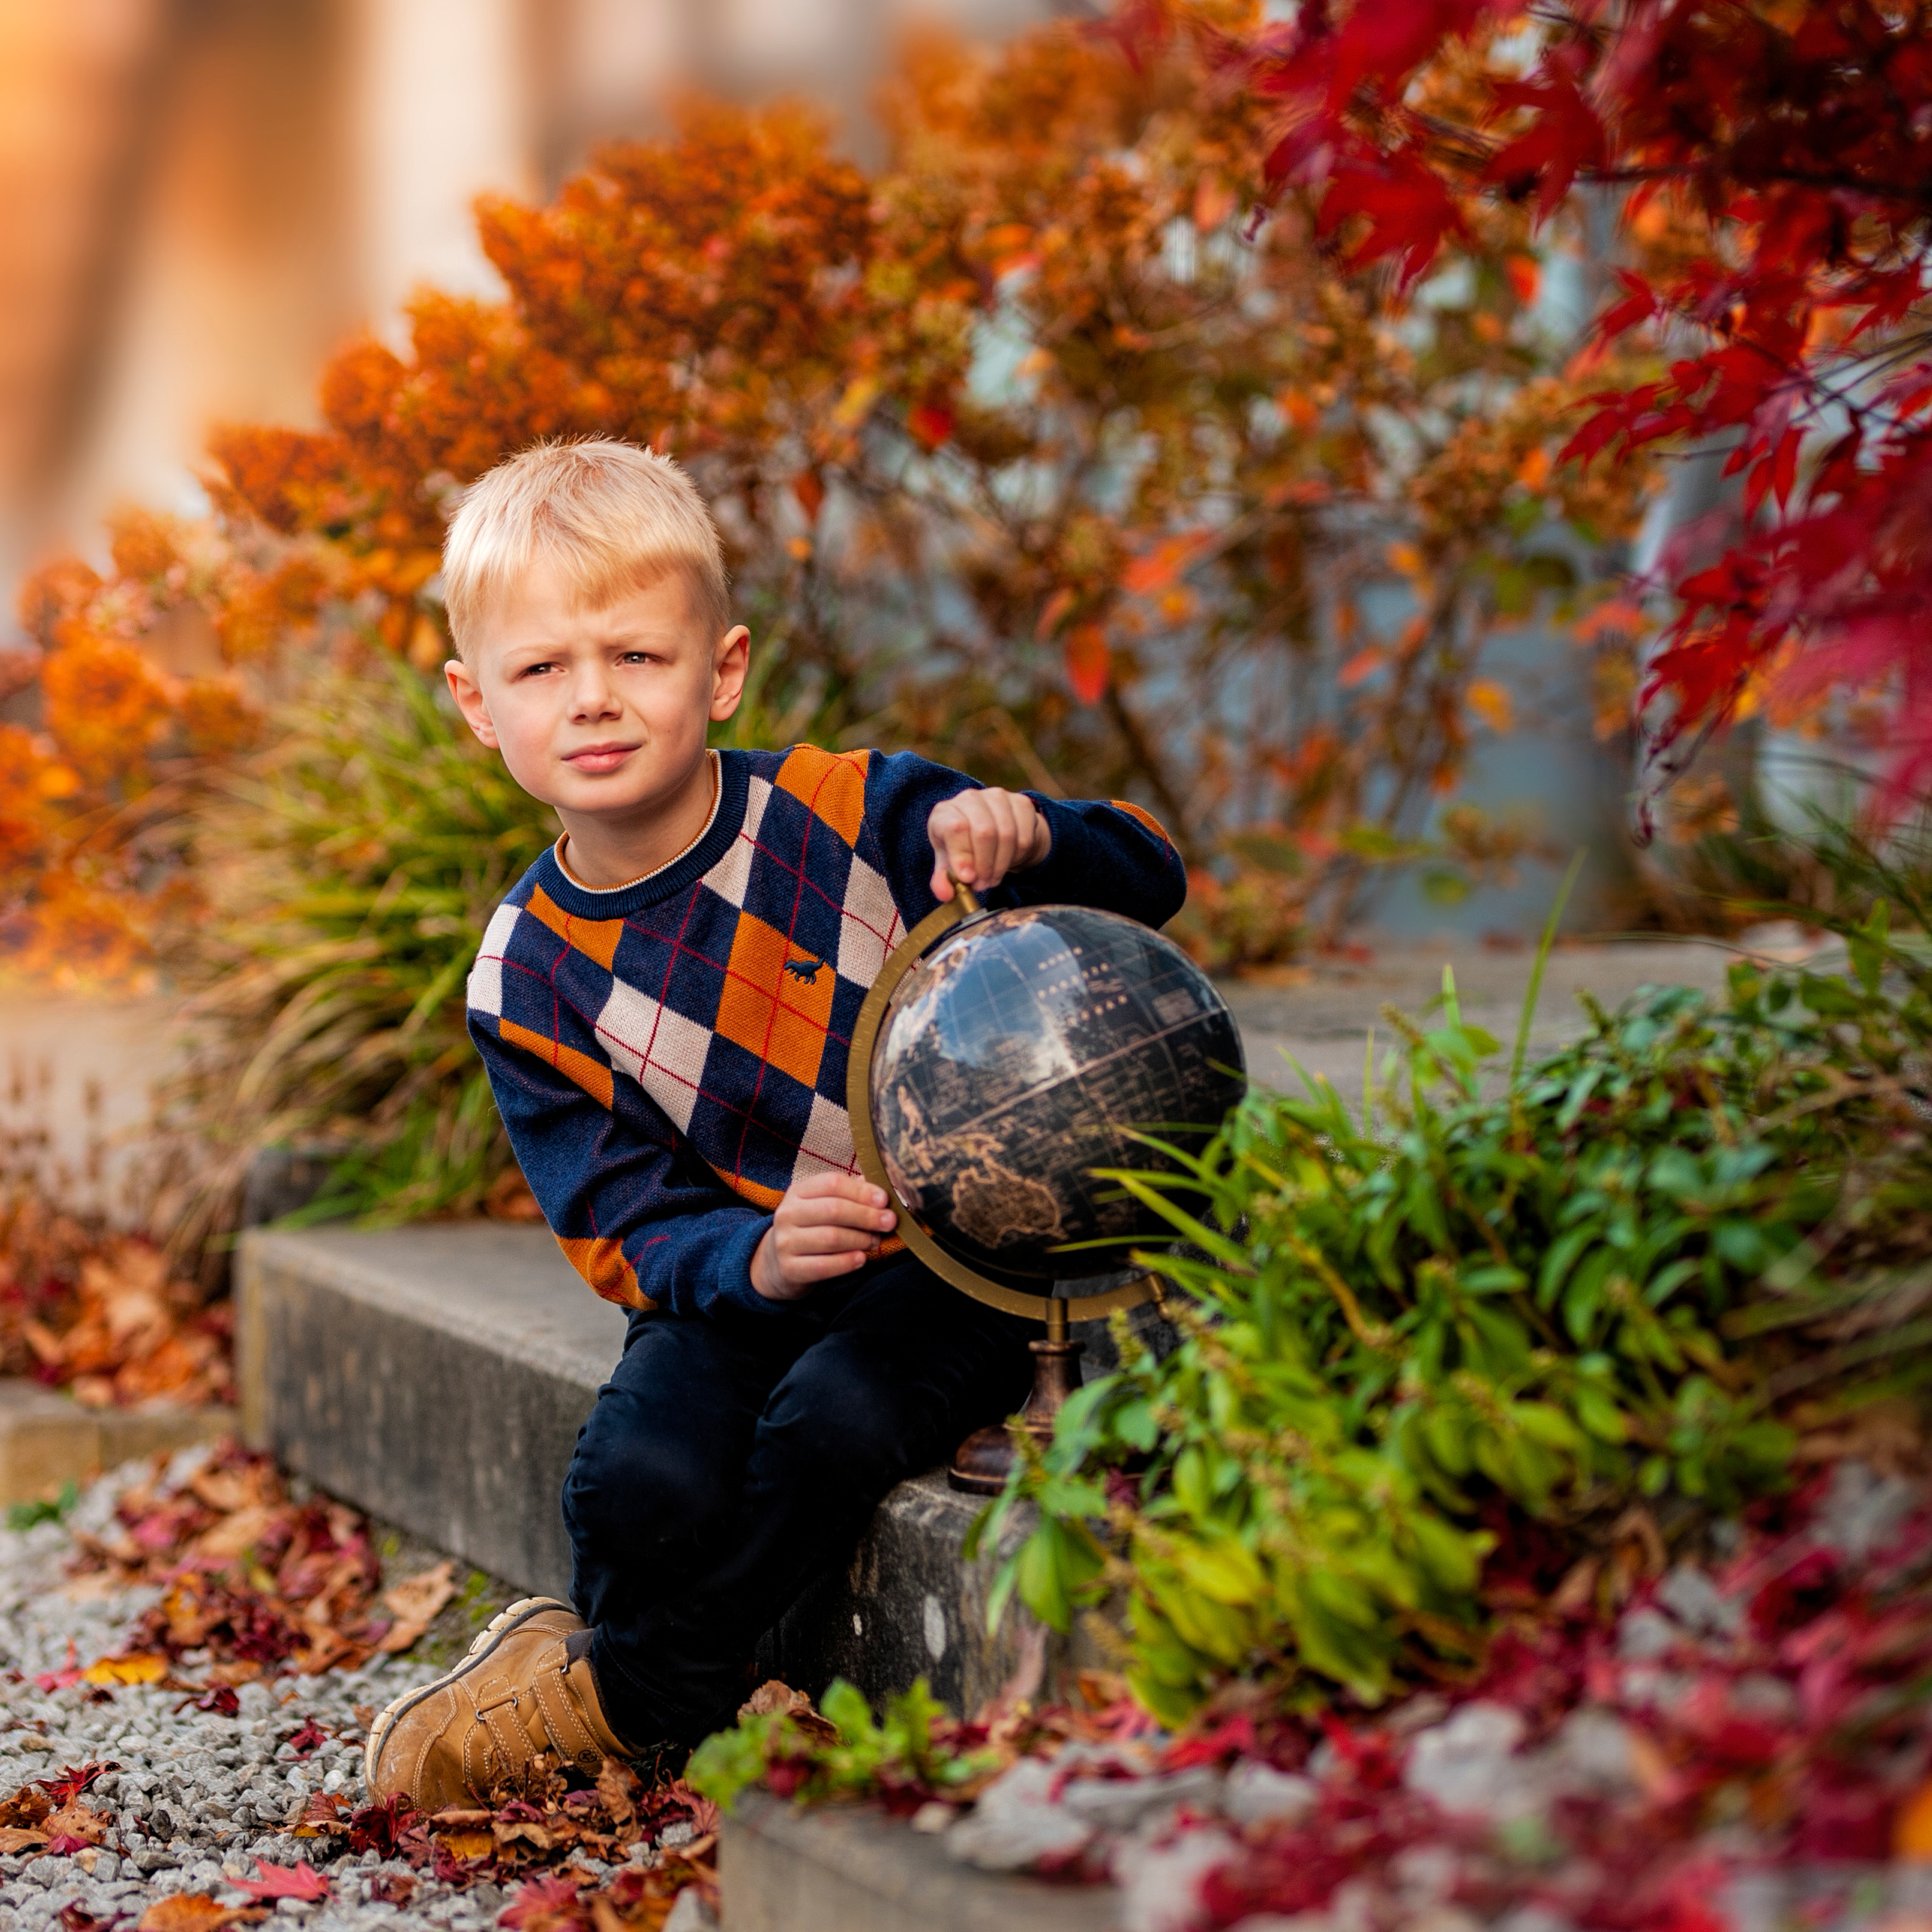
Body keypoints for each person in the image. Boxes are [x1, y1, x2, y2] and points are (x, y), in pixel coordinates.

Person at [362, 438, 1186, 1807]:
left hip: (952, 1257)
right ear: (476, 704)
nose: (593, 697)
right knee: (639, 1476)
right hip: (741, 1277)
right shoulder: (527, 974)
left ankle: (631, 1699)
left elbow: (1149, 880)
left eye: (638, 655)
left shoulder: (854, 814)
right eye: (542, 668)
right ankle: (649, 1698)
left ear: (723, 670)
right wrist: (748, 1257)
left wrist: (1034, 837)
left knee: (835, 1418)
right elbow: (619, 1221)